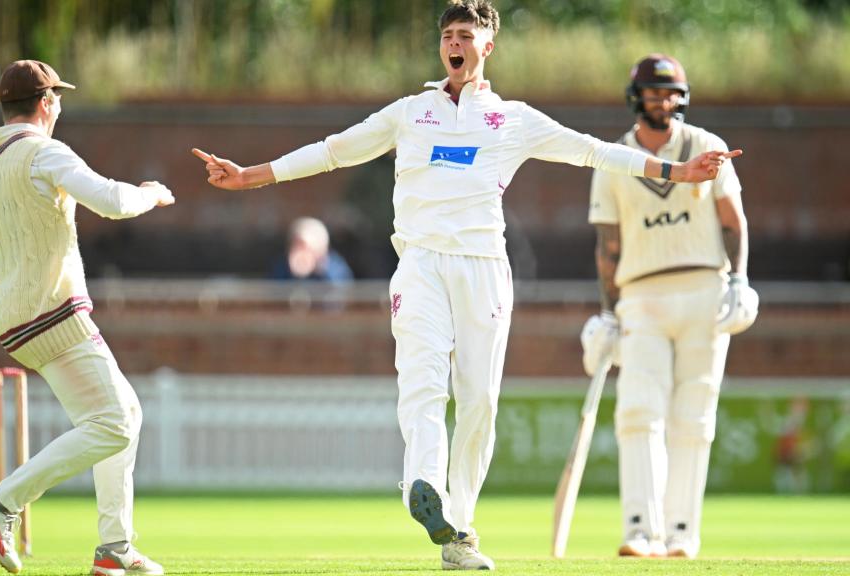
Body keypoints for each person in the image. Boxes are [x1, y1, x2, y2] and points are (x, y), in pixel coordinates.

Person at [193, 2, 740, 570]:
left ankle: (459, 530)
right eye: (447, 35)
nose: (454, 44)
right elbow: (335, 150)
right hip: (420, 264)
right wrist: (252, 175)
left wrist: (678, 173)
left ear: (487, 48)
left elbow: (593, 151)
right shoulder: (410, 112)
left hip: (483, 267)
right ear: (442, 47)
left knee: (478, 402)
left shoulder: (514, 118)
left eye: (466, 35)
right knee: (423, 382)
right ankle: (423, 485)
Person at [0, 59, 173, 575]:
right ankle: (0, 503)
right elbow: (113, 201)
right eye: (58, 100)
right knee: (116, 421)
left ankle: (114, 548)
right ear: (48, 103)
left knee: (122, 416)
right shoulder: (44, 151)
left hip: (16, 322)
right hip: (55, 315)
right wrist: (151, 193)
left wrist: (14, 279)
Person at [581, 53, 758, 559]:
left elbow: (733, 220)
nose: (665, 101)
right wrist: (609, 312)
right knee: (639, 413)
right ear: (637, 98)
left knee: (695, 415)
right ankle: (641, 528)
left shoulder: (707, 146)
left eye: (672, 93)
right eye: (656, 93)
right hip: (640, 296)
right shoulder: (613, 158)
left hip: (705, 290)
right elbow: (607, 246)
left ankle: (682, 532)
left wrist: (740, 279)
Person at [271, 217, 354, 283]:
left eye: (304, 246)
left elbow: (340, 291)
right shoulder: (283, 264)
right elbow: (274, 290)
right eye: (296, 245)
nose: (300, 251)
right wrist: (292, 272)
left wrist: (319, 267)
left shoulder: (334, 266)